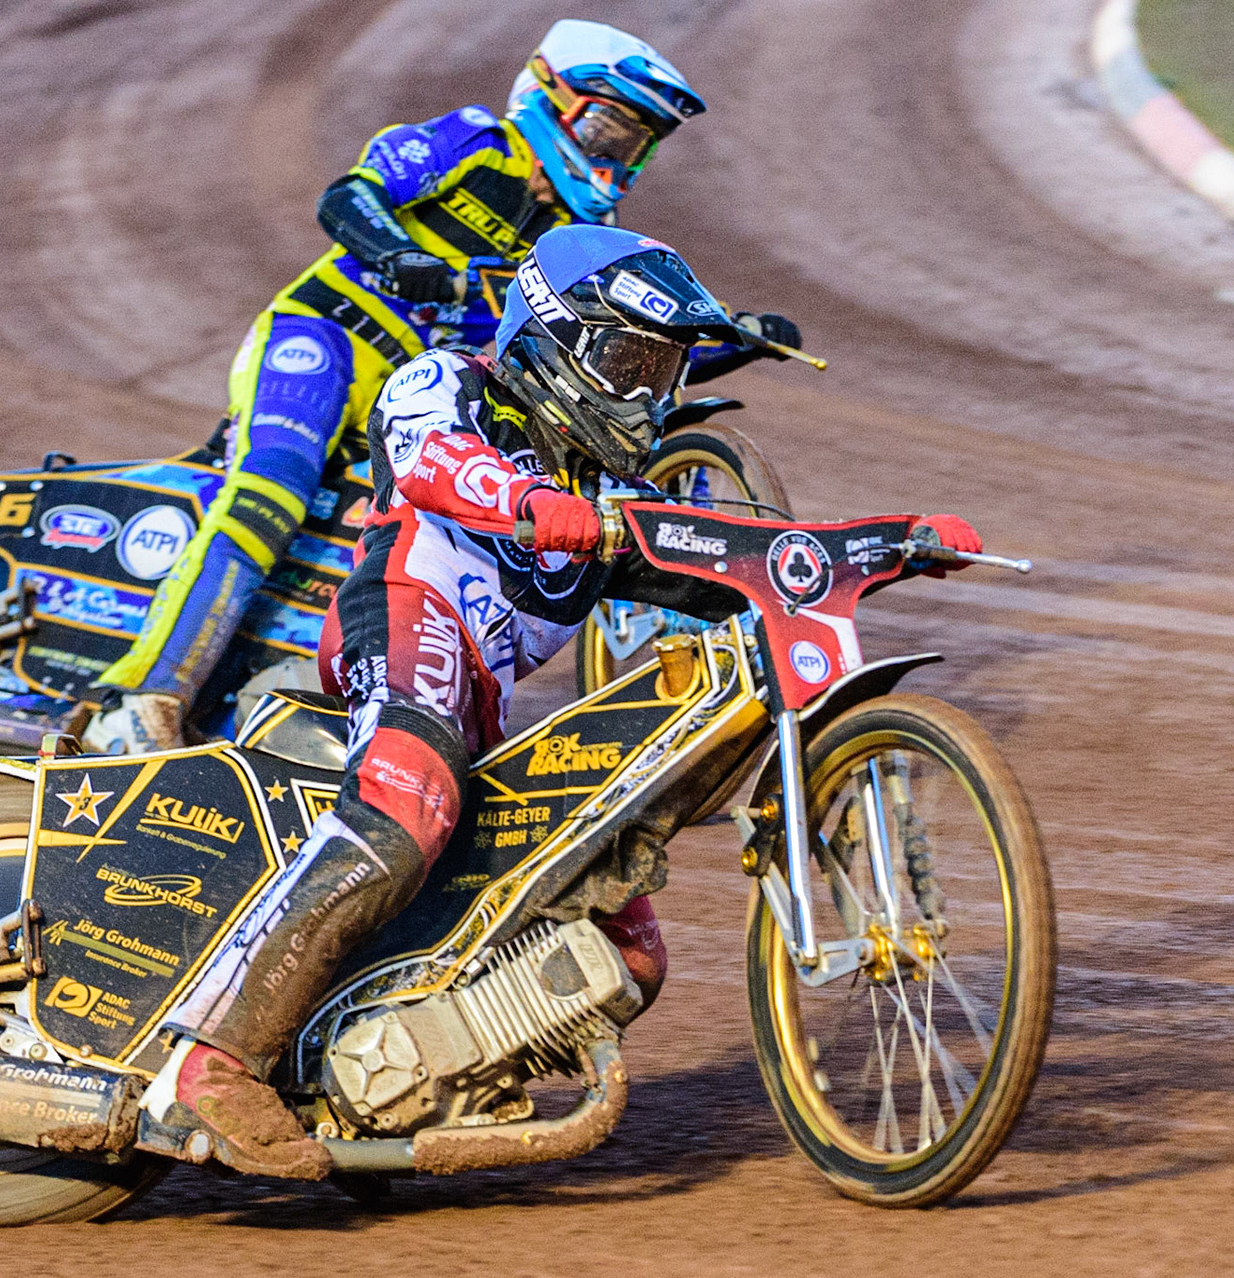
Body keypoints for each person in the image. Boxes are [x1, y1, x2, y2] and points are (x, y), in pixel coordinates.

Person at [143, 225, 984, 1178]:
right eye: (628, 361)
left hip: (481, 702)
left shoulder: (614, 490)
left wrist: (884, 546)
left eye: (662, 371)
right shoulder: (448, 383)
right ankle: (213, 1066)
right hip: (402, 620)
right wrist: (529, 503)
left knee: (627, 947)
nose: (649, 395)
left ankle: (397, 1076)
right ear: (553, 342)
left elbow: (746, 563)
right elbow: (431, 463)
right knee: (410, 798)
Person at [87, 18, 802, 753]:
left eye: (637, 142)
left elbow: (601, 356)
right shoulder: (473, 141)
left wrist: (732, 341)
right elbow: (347, 197)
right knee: (272, 490)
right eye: (610, 128)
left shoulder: (577, 236)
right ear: (551, 93)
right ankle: (140, 698)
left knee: (396, 544)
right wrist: (396, 256)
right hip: (327, 337)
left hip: (416, 391)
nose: (621, 156)